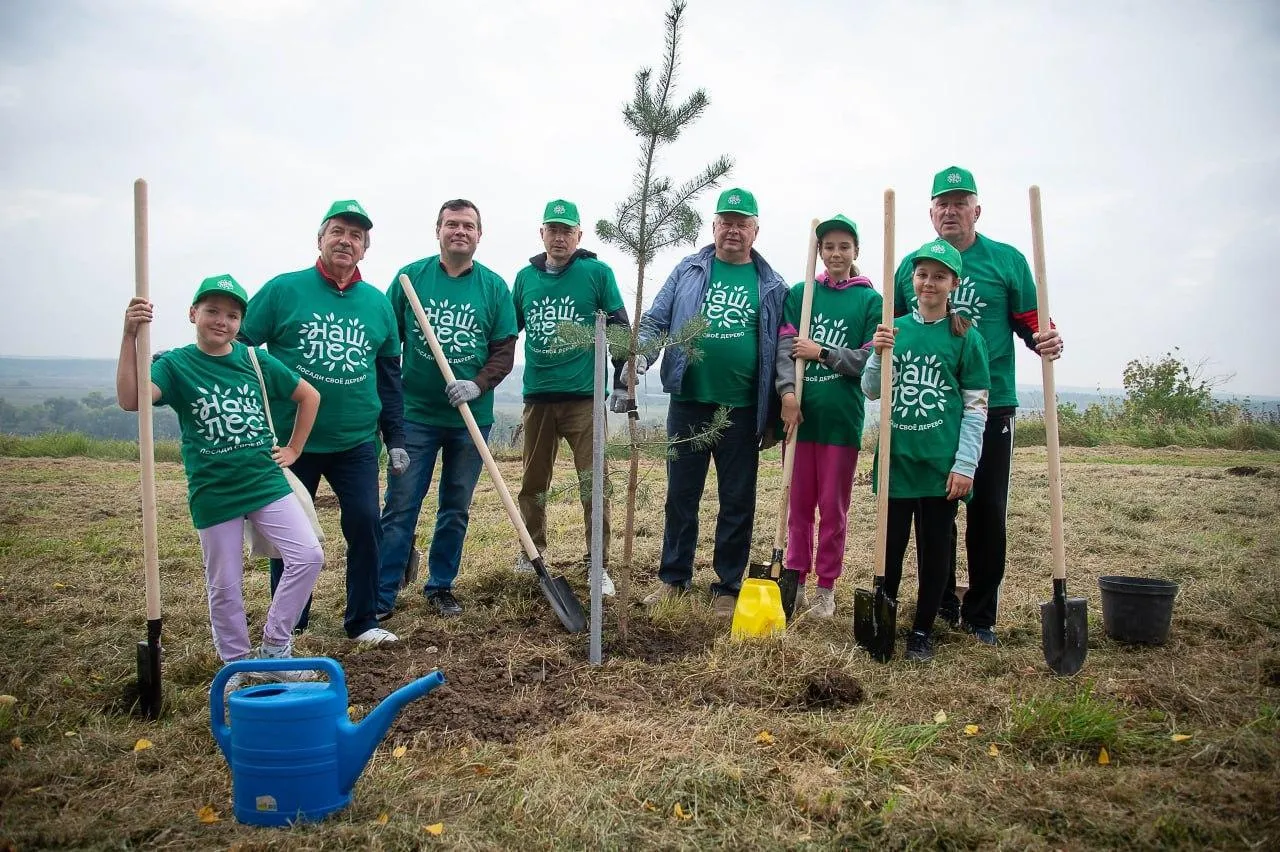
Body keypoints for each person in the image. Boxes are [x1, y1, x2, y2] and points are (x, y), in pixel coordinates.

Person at [116, 275, 324, 684]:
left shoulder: (253, 360)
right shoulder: (175, 365)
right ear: (193, 313)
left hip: (265, 479)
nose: (221, 321)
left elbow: (309, 395)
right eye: (212, 311)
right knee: (225, 584)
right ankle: (236, 665)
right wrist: (129, 337)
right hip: (214, 488)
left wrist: (295, 449)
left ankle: (276, 647)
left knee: (308, 555)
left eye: (232, 315)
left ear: (239, 322)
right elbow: (131, 399)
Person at [894, 167, 1063, 645]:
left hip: (992, 406)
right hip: (930, 413)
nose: (950, 210)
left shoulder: (1006, 261)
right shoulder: (912, 264)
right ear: (930, 212)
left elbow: (1033, 321)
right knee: (936, 508)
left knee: (987, 508)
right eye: (941, 203)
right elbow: (891, 328)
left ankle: (981, 613)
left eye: (960, 201)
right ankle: (941, 602)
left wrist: (1045, 338)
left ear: (976, 210)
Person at [240, 200, 407, 646]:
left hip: (355, 442)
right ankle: (290, 624)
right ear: (320, 239)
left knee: (367, 527)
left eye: (355, 236)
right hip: (293, 440)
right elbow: (238, 347)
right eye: (337, 231)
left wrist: (397, 437)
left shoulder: (377, 304)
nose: (345, 241)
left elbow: (390, 377)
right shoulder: (282, 291)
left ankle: (363, 621)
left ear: (364, 249)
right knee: (290, 537)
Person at [638, 187, 788, 617]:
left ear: (755, 231)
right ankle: (673, 578)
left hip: (740, 410)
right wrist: (642, 359)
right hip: (689, 401)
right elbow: (655, 319)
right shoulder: (689, 270)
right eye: (726, 221)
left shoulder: (772, 284)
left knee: (737, 498)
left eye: (742, 223)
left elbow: (779, 348)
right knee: (681, 494)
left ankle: (727, 585)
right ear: (714, 225)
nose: (733, 230)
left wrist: (776, 410)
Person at [379, 199, 518, 619]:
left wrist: (476, 385)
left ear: (479, 234)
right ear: (437, 230)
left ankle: (440, 586)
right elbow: (387, 345)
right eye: (452, 224)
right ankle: (382, 594)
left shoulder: (493, 287)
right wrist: (388, 417)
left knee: (455, 506)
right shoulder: (409, 280)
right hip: (415, 416)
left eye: (468, 225)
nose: (460, 231)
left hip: (470, 421)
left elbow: (505, 350)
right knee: (401, 503)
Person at [865, 240, 990, 661]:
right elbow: (869, 389)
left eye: (939, 276)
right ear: (912, 279)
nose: (929, 283)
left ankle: (922, 630)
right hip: (896, 463)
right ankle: (886, 619)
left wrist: (965, 464)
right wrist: (878, 353)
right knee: (891, 548)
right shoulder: (893, 327)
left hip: (940, 466)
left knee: (935, 551)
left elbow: (975, 408)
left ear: (954, 283)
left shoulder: (966, 338)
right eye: (922, 274)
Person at [511, 199, 631, 595]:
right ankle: (532, 554)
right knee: (532, 481)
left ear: (579, 235)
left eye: (567, 230)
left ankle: (598, 564)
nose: (559, 237)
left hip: (584, 397)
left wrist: (621, 379)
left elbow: (618, 326)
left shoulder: (596, 273)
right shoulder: (524, 279)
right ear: (541, 233)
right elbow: (509, 330)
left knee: (594, 483)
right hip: (538, 396)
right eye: (552, 229)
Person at [775, 214, 881, 618]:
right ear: (819, 252)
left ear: (855, 251)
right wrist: (787, 393)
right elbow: (786, 349)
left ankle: (825, 587)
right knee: (797, 506)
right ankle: (796, 579)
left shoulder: (870, 301)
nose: (836, 254)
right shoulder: (801, 293)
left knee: (832, 509)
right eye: (828, 247)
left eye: (844, 247)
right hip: (800, 421)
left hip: (841, 422)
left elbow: (869, 360)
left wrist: (822, 353)